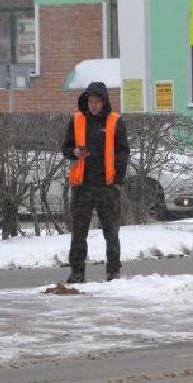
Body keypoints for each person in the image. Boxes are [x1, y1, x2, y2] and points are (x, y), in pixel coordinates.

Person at [66, 80, 129, 284]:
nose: (93, 105)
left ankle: (113, 271)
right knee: (79, 232)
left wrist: (118, 180)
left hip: (106, 186)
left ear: (104, 102)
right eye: (90, 101)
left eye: (97, 101)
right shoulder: (76, 120)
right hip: (82, 186)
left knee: (111, 231)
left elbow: (122, 152)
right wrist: (74, 152)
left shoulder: (115, 121)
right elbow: (66, 148)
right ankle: (77, 271)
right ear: (86, 101)